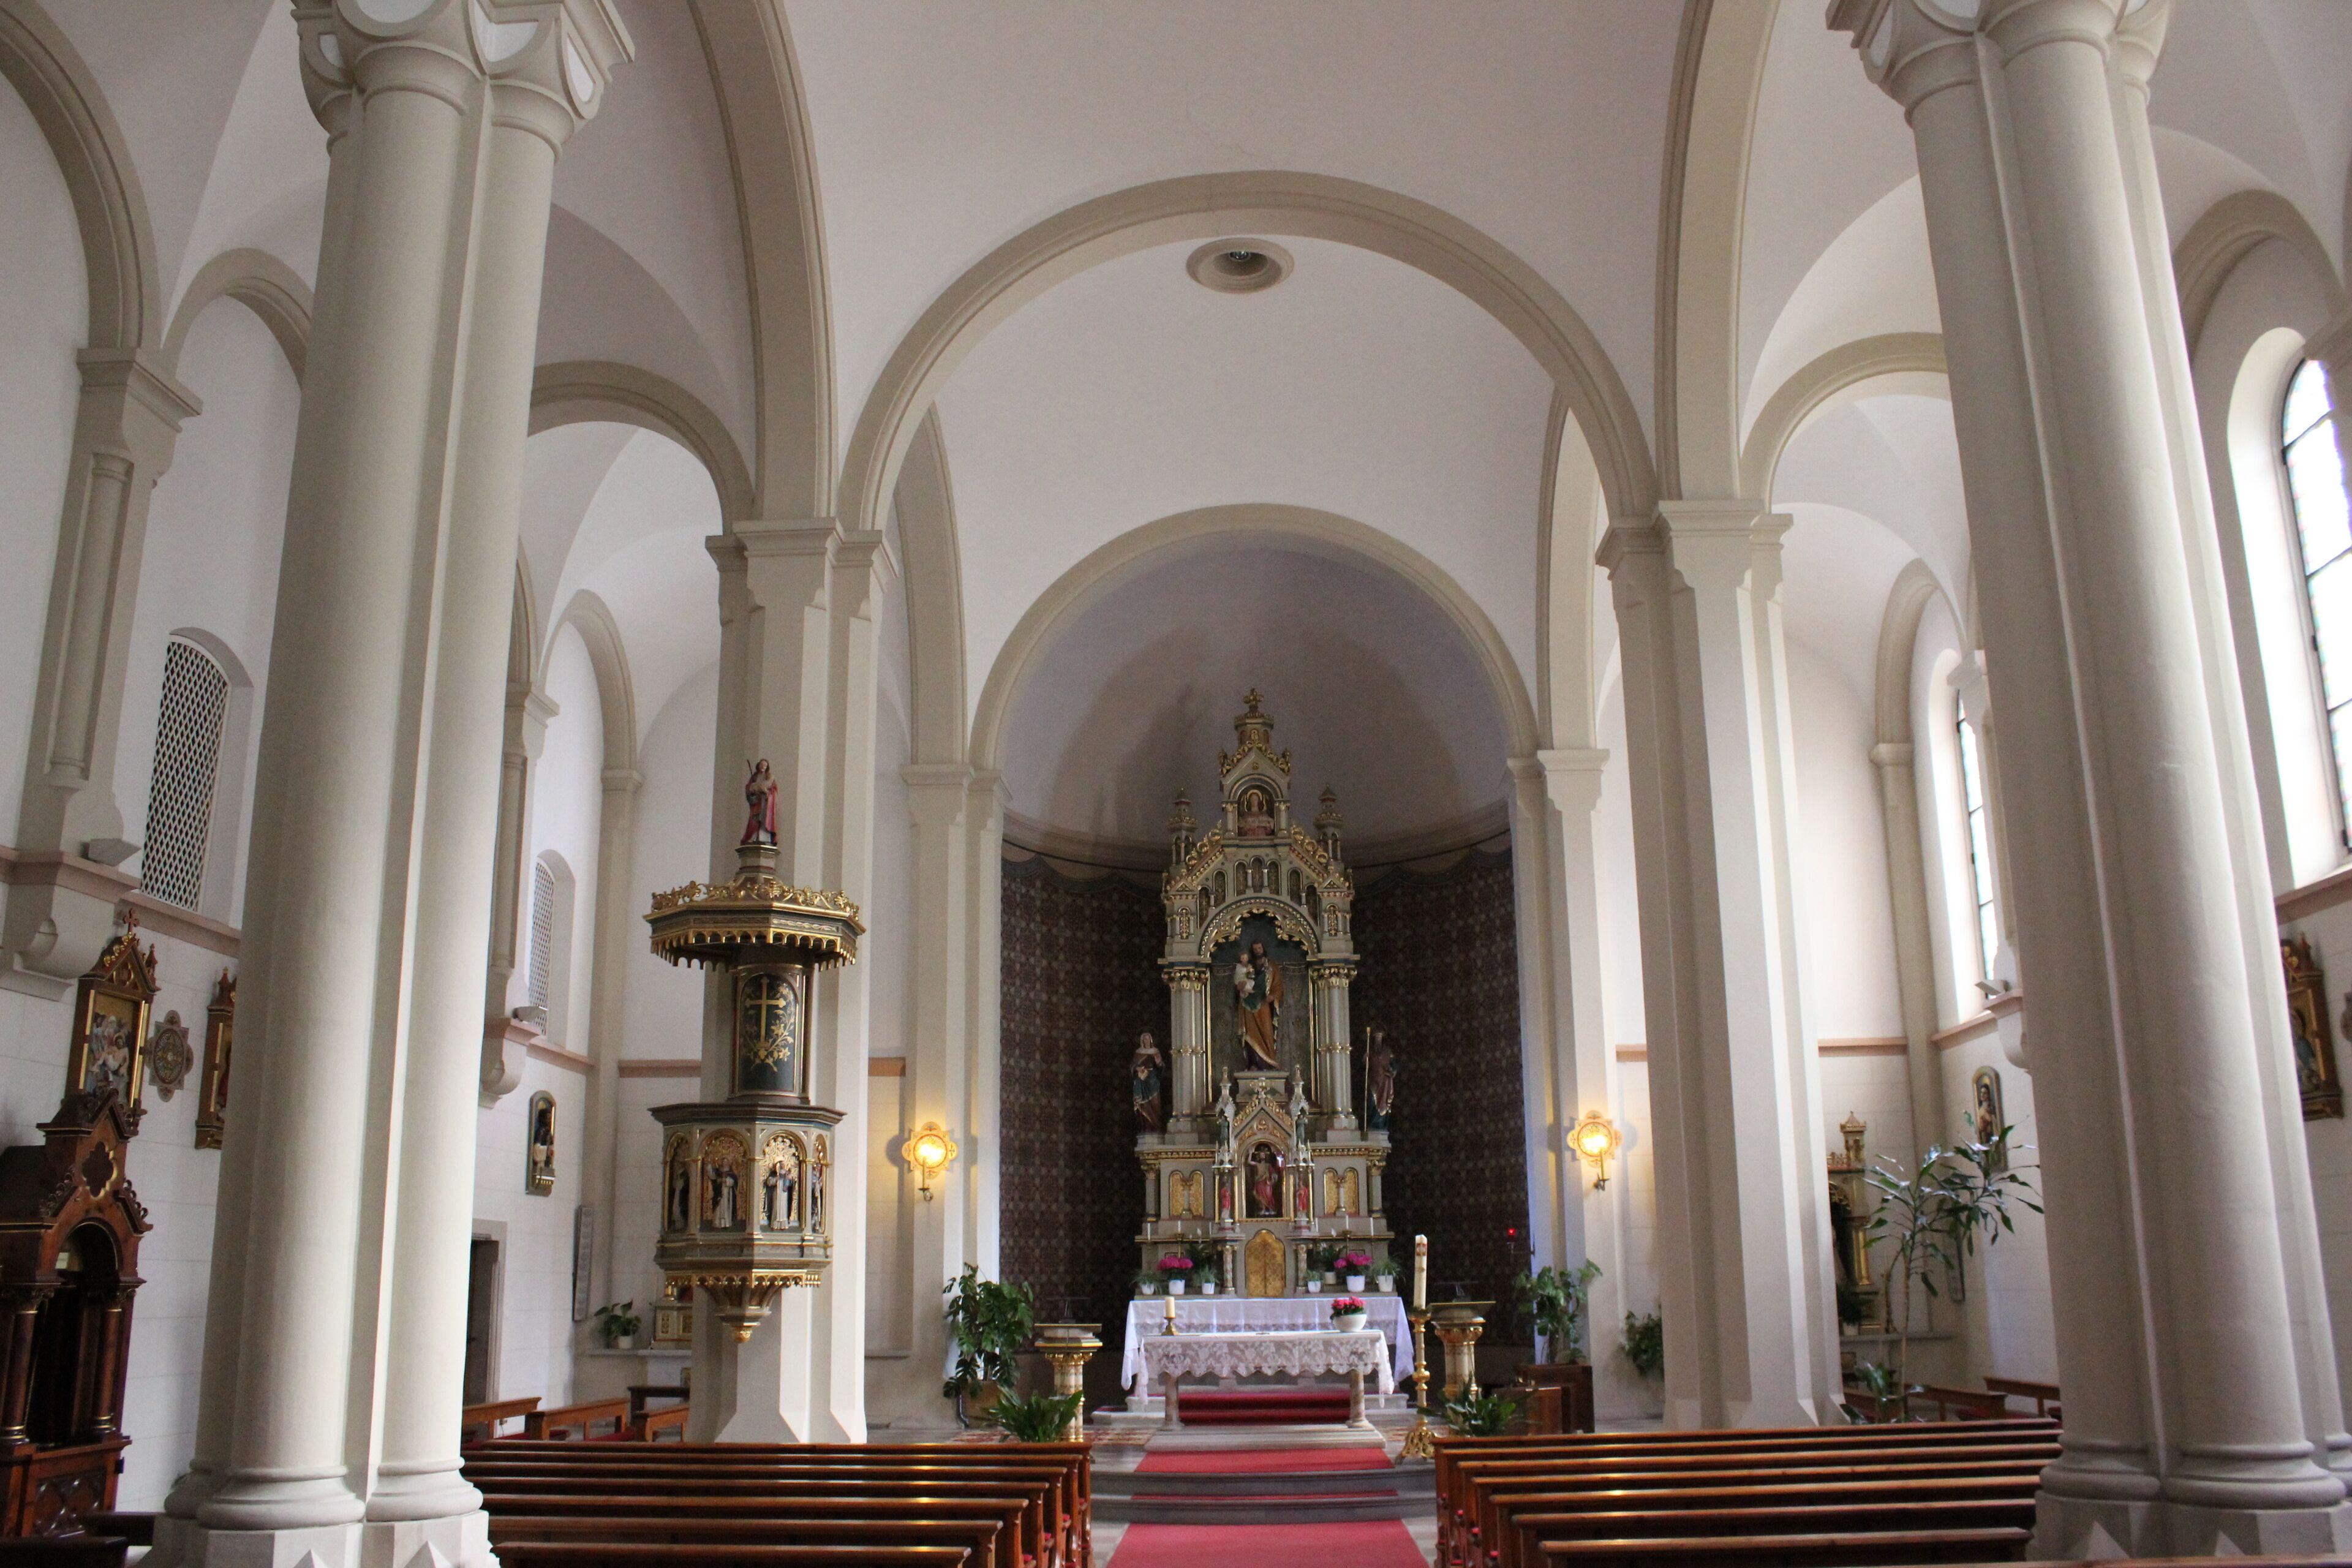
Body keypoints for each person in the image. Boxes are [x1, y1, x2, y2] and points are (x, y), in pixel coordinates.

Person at [1234, 940, 1283, 1069]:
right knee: (1250, 1034)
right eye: (1255, 949)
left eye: (1260, 948)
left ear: (1264, 948)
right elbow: (1239, 981)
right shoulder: (1247, 966)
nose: (1258, 951)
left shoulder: (1272, 967)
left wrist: (1273, 996)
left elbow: (1278, 986)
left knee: (1267, 1032)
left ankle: (1269, 1062)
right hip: (1248, 1004)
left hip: (1263, 1003)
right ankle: (1254, 1063)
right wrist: (1241, 987)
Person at [1131, 1031, 1166, 1132]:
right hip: (1142, 1080)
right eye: (1145, 1039)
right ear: (1142, 1041)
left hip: (1153, 1080)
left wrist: (1159, 1063)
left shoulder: (1155, 1051)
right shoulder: (1139, 1052)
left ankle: (1156, 1126)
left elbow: (1161, 1067)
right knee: (1143, 1105)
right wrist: (1137, 1068)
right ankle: (1145, 1127)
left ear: (1151, 1040)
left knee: (1155, 1103)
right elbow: (1133, 1066)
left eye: (1148, 1039)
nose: (1147, 1041)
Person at [742, 758, 778, 846]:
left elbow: (773, 791)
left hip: (766, 802)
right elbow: (749, 788)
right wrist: (753, 788)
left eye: (765, 766)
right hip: (757, 803)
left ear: (767, 767)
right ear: (758, 766)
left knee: (764, 819)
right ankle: (754, 837)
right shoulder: (755, 777)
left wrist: (768, 793)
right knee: (755, 820)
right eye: (761, 765)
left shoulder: (770, 777)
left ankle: (764, 838)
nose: (763, 767)